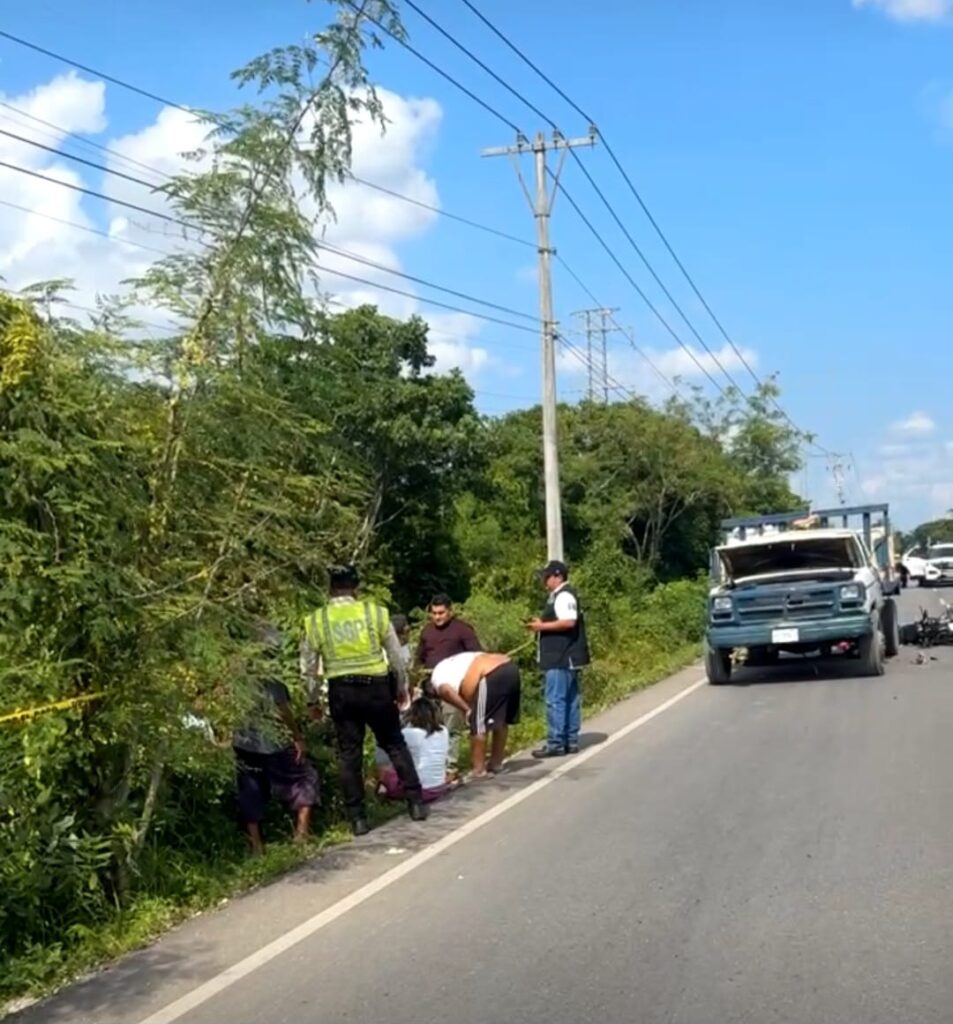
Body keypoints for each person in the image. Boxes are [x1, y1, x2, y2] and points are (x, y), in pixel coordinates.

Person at [301, 566, 427, 835]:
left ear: (330, 588)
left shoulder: (317, 620)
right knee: (394, 743)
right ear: (355, 588)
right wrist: (401, 687)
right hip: (376, 688)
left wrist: (312, 700)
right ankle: (416, 802)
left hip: (342, 692)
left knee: (349, 754)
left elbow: (308, 667)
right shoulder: (375, 613)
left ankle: (358, 819)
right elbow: (396, 656)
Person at [233, 626, 318, 856]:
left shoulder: (236, 676)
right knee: (304, 777)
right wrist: (297, 736)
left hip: (243, 743)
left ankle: (256, 845)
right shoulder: (271, 679)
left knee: (250, 790)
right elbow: (282, 710)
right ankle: (301, 834)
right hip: (273, 742)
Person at [527, 559, 590, 758]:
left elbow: (569, 622)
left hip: (561, 656)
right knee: (570, 699)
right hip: (566, 656)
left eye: (547, 577)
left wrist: (541, 627)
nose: (544, 581)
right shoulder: (559, 596)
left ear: (558, 576)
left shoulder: (564, 595)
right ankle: (570, 740)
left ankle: (556, 742)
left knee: (556, 699)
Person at [430, 651, 521, 777]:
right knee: (500, 720)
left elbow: (446, 691)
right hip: (510, 668)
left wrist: (467, 710)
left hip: (489, 674)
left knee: (478, 725)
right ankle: (496, 764)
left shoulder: (437, 679)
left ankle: (479, 769)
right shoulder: (452, 664)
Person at [375, 697, 450, 803]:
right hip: (439, 787)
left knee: (383, 744)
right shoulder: (444, 731)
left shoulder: (408, 733)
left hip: (420, 791)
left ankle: (382, 786)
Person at [414, 593, 482, 670]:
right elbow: (418, 657)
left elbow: (477, 655)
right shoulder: (427, 630)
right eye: (434, 613)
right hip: (430, 674)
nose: (437, 617)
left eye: (441, 613)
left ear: (449, 611)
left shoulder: (463, 629)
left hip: (456, 674)